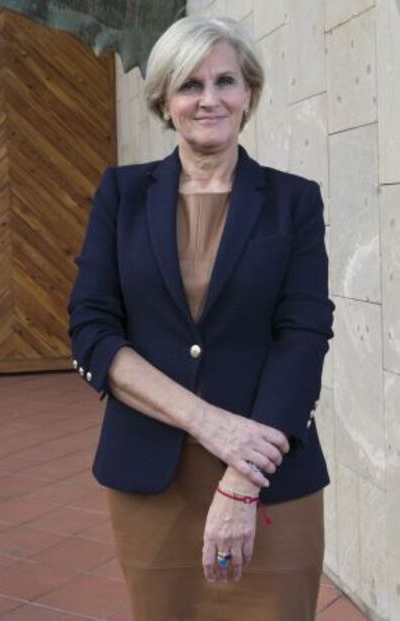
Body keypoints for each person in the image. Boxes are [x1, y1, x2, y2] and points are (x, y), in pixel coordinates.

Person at [68, 14, 335, 621]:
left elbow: (304, 333)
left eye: (225, 81)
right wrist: (211, 425)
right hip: (150, 479)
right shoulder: (121, 194)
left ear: (249, 93)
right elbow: (93, 330)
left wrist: (242, 473)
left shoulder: (294, 201)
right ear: (164, 99)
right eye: (189, 85)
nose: (208, 99)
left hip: (271, 476)